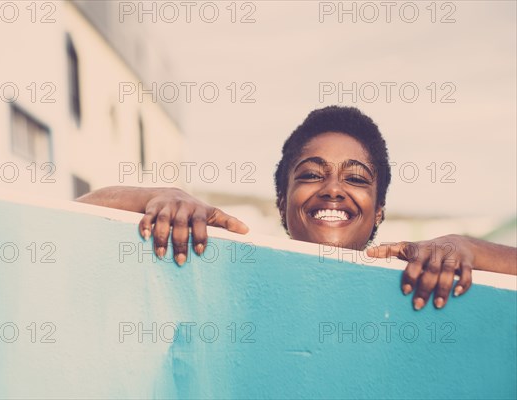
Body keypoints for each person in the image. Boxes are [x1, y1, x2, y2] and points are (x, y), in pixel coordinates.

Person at [77, 106, 517, 310]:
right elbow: (73, 213)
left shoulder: (421, 279)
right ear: (282, 202)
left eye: (356, 178)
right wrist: (158, 197)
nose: (333, 189)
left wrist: (465, 247)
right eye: (311, 174)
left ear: (379, 210)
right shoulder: (228, 266)